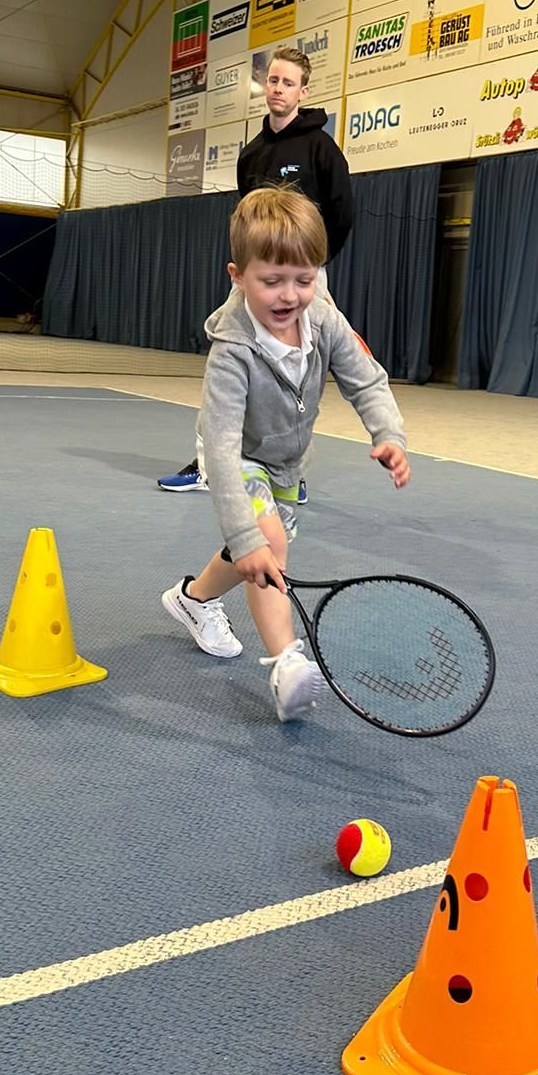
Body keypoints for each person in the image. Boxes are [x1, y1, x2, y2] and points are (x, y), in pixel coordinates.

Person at [161, 188, 409, 722]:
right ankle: (286, 663)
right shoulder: (231, 352)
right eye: (270, 281)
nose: (288, 296)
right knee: (266, 544)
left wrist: (388, 435)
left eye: (303, 279)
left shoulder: (324, 321)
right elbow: (224, 451)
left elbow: (367, 382)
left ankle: (192, 598)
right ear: (237, 275)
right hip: (236, 457)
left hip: (287, 464)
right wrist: (246, 533)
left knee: (255, 557)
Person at [157, 45, 355, 495]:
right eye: (272, 80)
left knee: (299, 377)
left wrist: (310, 269)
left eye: (288, 82)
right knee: (224, 362)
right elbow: (244, 218)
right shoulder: (251, 154)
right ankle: (208, 468)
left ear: (303, 90)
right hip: (252, 281)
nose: (278, 89)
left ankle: (291, 475)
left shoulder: (321, 148)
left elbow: (342, 214)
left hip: (305, 278)